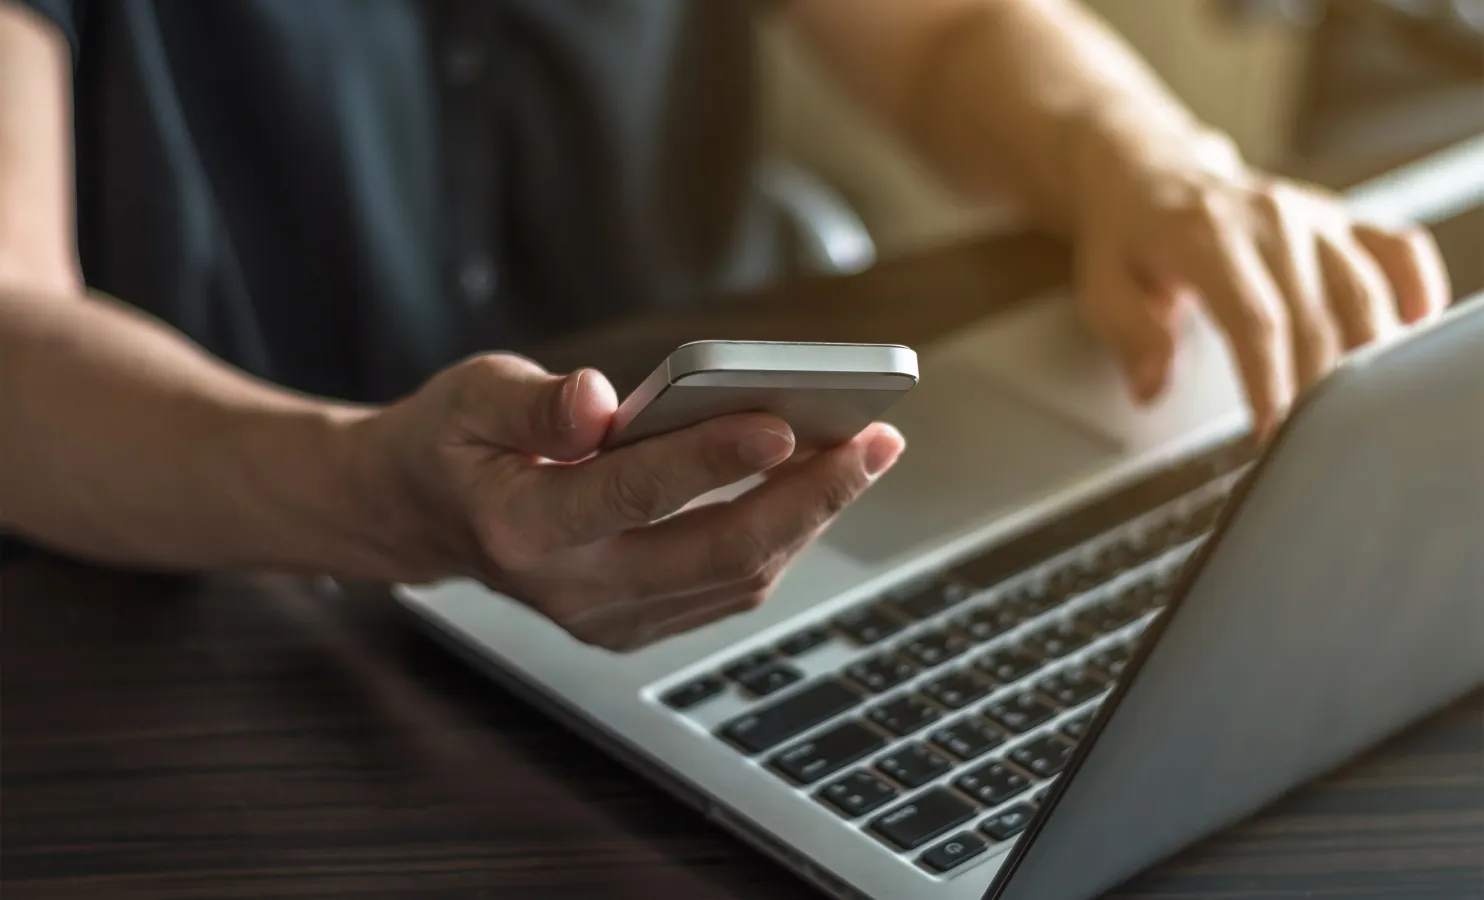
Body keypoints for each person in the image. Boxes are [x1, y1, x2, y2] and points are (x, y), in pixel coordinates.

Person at [0, 0, 1450, 651]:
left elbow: (944, 30)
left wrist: (1142, 155)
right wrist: (377, 501)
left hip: (767, 536)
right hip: (222, 597)